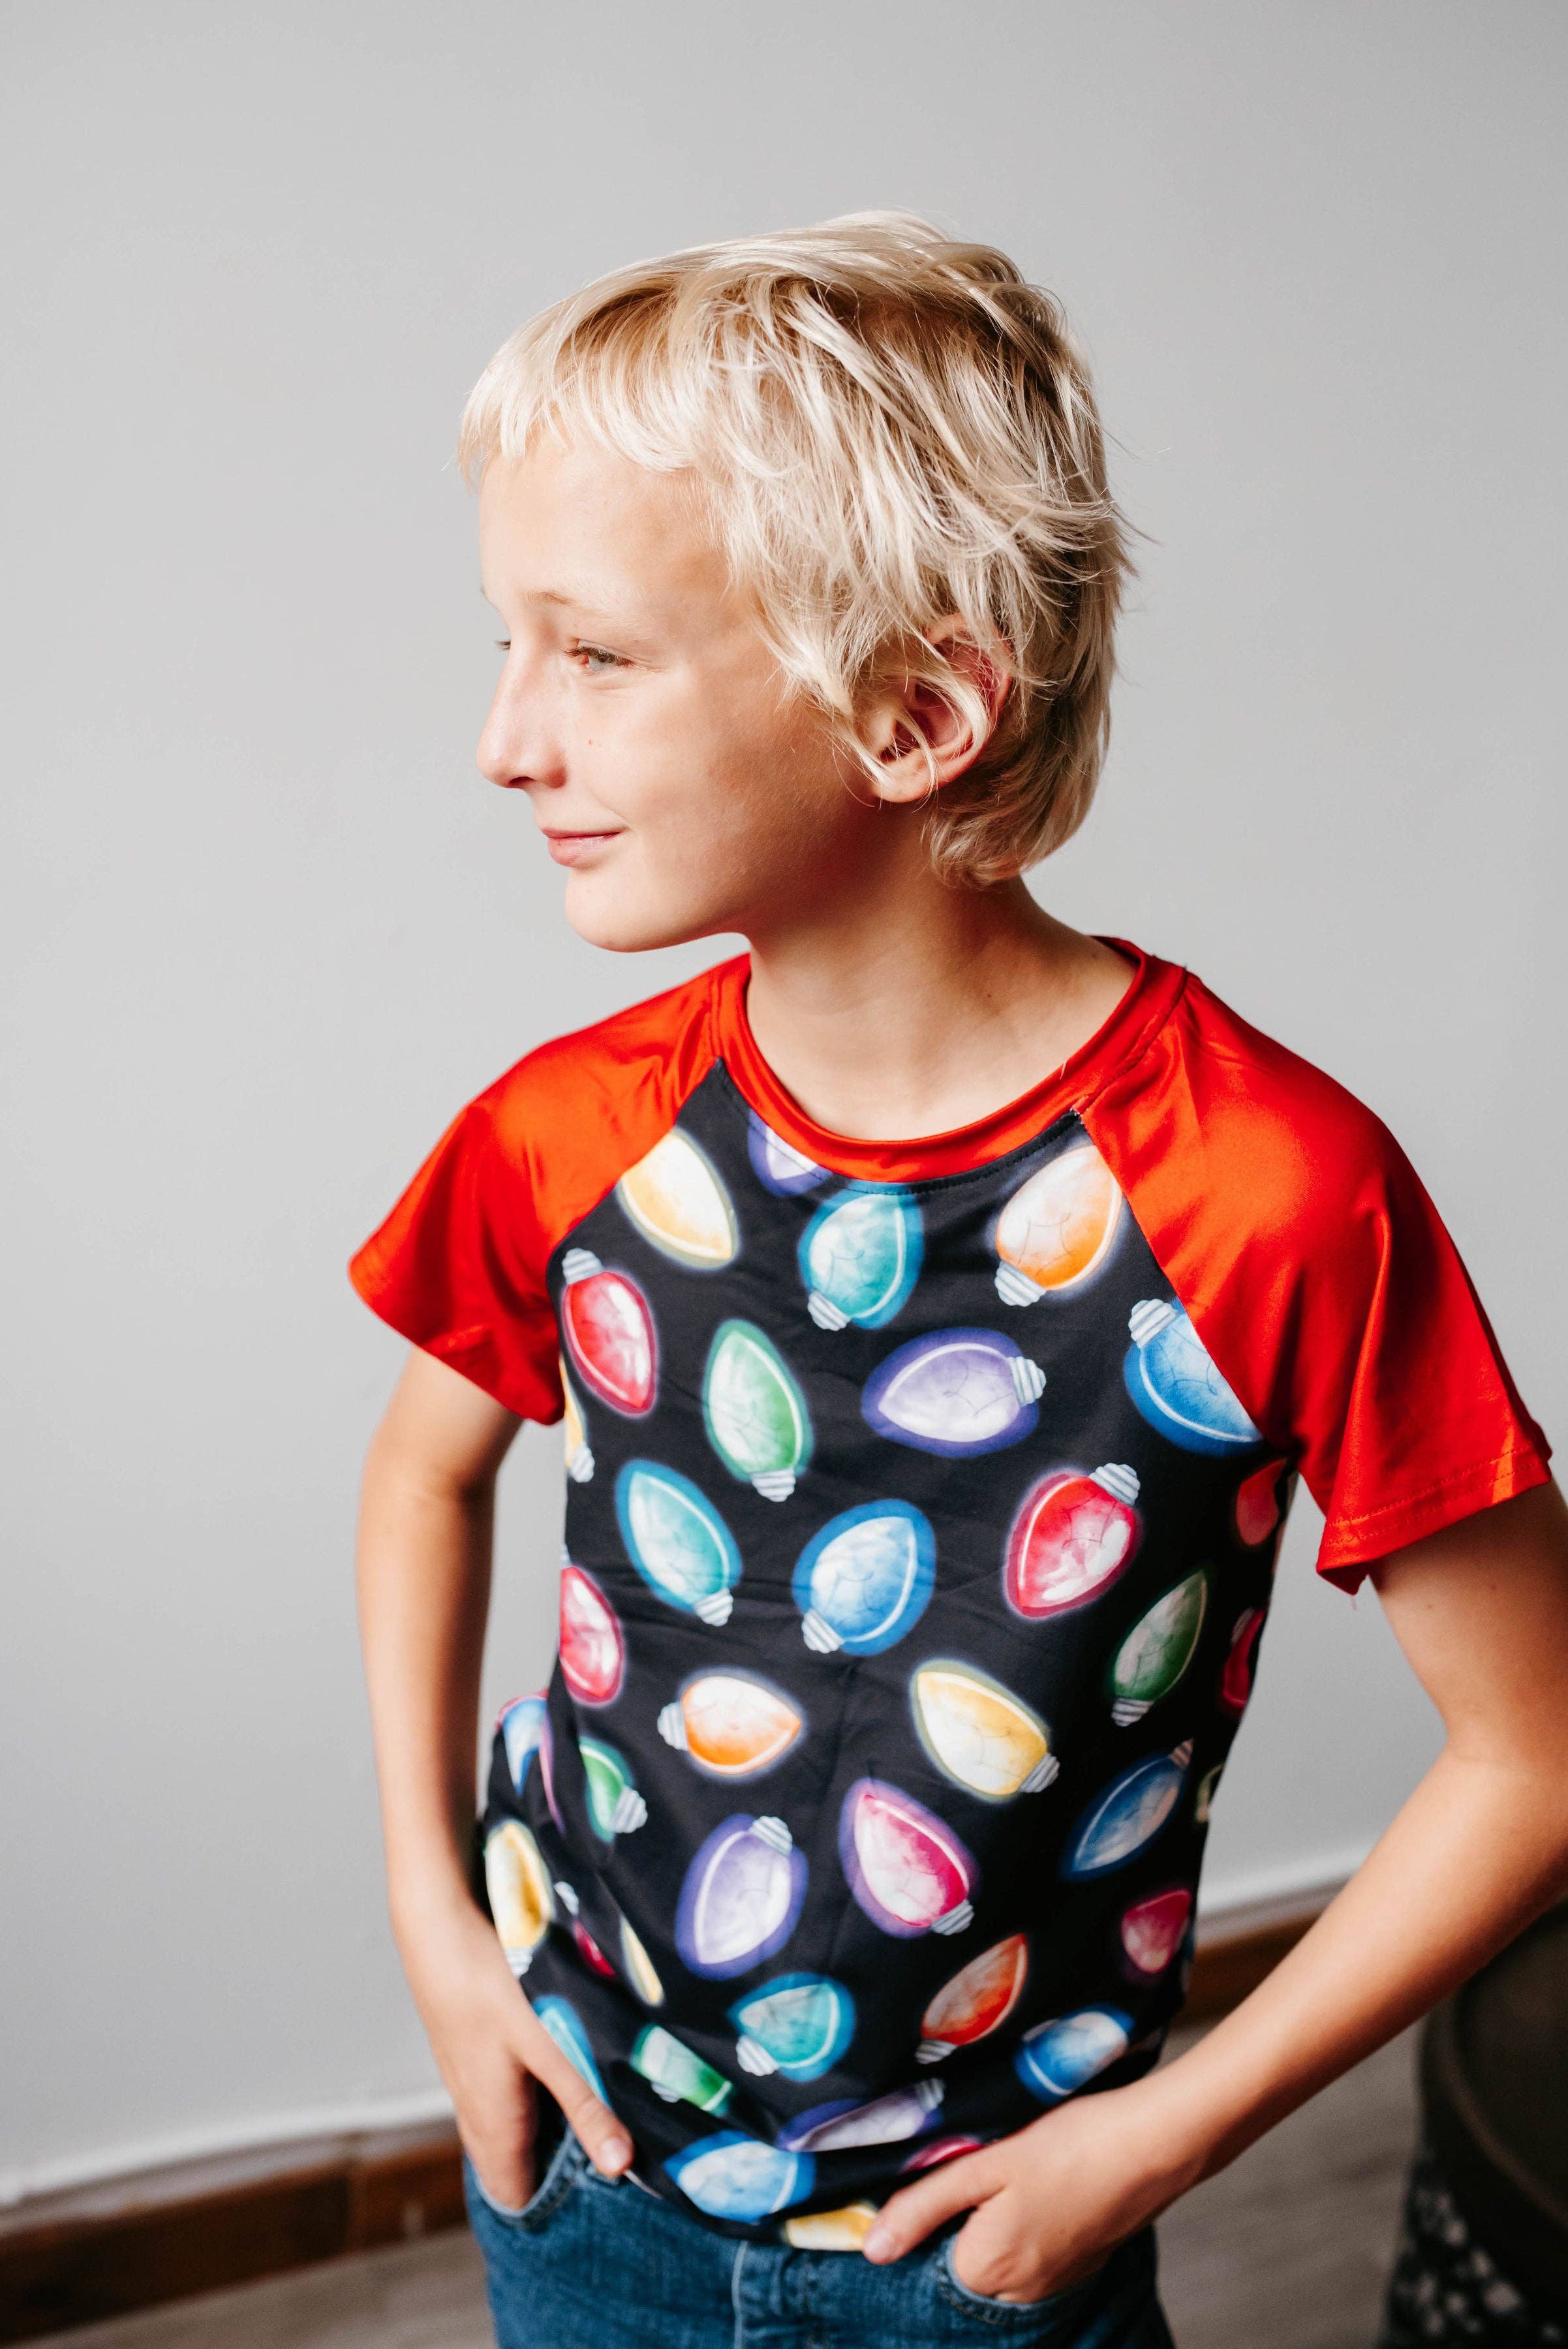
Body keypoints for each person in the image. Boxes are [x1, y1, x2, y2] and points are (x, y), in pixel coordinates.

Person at [349, 213, 1568, 2349]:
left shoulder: (1267, 1193)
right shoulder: (571, 1133)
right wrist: (439, 1933)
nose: (505, 741)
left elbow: (1535, 1756)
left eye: (594, 655)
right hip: (579, 2180)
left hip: (987, 2269)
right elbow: (419, 1476)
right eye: (505, 644)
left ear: (914, 711)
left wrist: (1163, 2137)